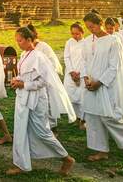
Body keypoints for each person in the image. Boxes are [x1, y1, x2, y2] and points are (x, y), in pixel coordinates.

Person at [6, 27, 75, 176]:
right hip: (23, 97)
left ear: (29, 40)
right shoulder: (24, 54)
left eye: (20, 40)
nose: (18, 43)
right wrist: (17, 80)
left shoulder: (39, 56)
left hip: (36, 99)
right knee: (20, 131)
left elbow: (44, 80)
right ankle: (21, 164)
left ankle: (66, 158)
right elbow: (26, 75)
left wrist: (24, 84)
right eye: (16, 40)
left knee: (42, 131)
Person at [80, 12, 123, 162]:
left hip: (106, 85)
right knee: (93, 118)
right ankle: (101, 151)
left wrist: (100, 82)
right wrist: (86, 78)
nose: (90, 29)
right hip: (90, 84)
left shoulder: (113, 41)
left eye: (92, 26)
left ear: (100, 23)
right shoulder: (86, 41)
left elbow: (114, 66)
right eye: (88, 27)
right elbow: (83, 62)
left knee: (111, 116)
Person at [63, 22, 86, 129]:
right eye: (73, 33)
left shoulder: (86, 43)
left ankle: (83, 119)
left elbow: (86, 60)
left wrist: (79, 73)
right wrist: (72, 72)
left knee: (82, 97)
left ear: (82, 32)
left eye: (77, 34)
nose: (75, 36)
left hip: (82, 73)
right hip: (70, 73)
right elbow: (66, 57)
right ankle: (76, 117)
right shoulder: (69, 42)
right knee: (71, 96)